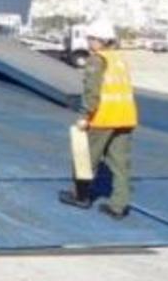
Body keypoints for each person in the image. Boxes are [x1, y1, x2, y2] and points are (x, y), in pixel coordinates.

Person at [58, 18, 137, 219]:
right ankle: (119, 206)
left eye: (90, 38)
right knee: (120, 164)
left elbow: (92, 92)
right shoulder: (119, 58)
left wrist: (85, 116)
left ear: (99, 40)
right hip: (125, 117)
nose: (88, 42)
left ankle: (80, 196)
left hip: (103, 118)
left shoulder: (97, 60)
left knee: (85, 159)